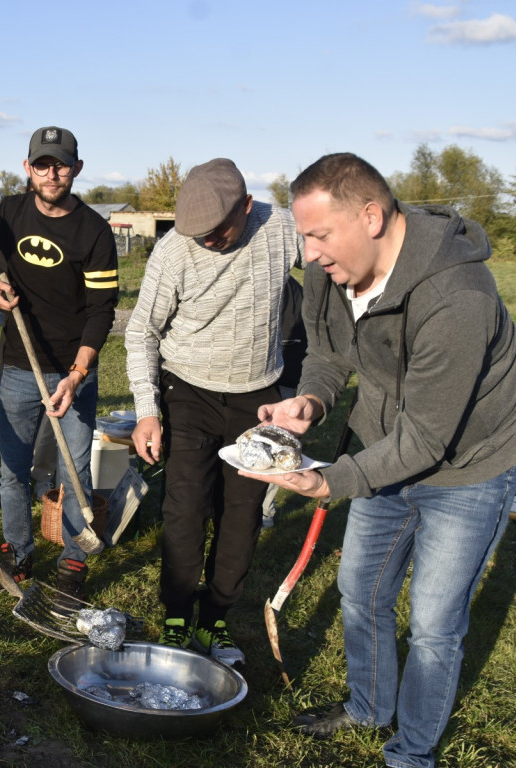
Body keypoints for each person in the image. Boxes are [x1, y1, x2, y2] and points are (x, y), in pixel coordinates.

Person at [244, 153, 516, 768]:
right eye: (305, 237)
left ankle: (412, 753)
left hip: (469, 467)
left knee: (434, 624)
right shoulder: (331, 266)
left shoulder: (458, 298)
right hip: (385, 444)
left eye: (319, 235)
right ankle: (369, 706)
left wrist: (328, 482)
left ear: (370, 216)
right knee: (360, 589)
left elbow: (427, 439)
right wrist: (310, 401)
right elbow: (327, 351)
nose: (309, 254)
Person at [125, 158, 299, 665]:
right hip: (188, 390)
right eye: (196, 232)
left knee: (241, 517)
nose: (206, 241)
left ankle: (214, 622)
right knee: (186, 510)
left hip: (258, 397)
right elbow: (141, 332)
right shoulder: (174, 249)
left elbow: (337, 258)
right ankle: (178, 619)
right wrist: (146, 410)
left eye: (217, 230)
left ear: (248, 206)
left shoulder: (282, 227)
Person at [0, 126, 118, 613]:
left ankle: (71, 566)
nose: (51, 173)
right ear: (28, 168)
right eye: (42, 164)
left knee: (74, 472)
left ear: (76, 169)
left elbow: (102, 310)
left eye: (61, 164)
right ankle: (17, 557)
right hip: (20, 367)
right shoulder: (5, 215)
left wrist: (78, 373)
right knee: (12, 471)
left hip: (71, 370)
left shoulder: (93, 232)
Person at [261, 273, 306, 529]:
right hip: (272, 373)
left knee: (275, 442)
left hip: (283, 373)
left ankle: (265, 510)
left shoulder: (282, 286)